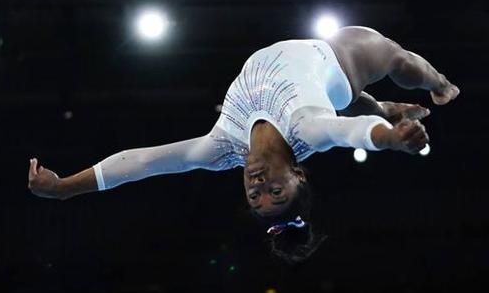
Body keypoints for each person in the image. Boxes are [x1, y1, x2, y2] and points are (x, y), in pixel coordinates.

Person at [27, 26, 459, 264]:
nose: (259, 187)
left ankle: (385, 106)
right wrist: (391, 140)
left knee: (356, 105)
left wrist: (64, 187)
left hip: (318, 93)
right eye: (277, 191)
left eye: (256, 197)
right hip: (337, 64)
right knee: (400, 61)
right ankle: (441, 85)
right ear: (297, 175)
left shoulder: (222, 149)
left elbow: (141, 163)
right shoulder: (307, 130)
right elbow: (350, 133)